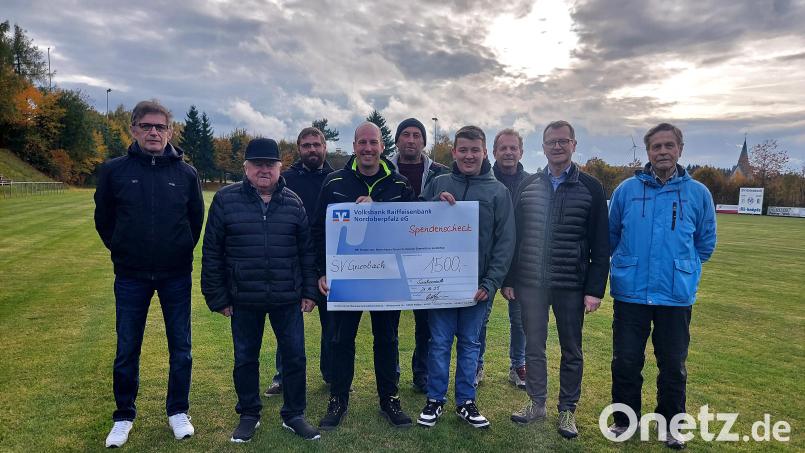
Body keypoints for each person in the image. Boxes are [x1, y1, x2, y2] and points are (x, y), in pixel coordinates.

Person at [94, 99, 204, 448]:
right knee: (127, 348)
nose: (154, 132)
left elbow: (195, 221)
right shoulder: (114, 171)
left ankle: (178, 411)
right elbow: (104, 219)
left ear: (170, 131)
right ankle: (124, 415)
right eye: (147, 126)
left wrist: (177, 250)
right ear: (134, 129)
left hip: (175, 274)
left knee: (181, 348)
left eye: (160, 126)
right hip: (131, 275)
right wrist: (123, 249)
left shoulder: (186, 174)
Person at [201, 138, 320, 443]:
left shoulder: (293, 202)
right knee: (245, 358)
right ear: (246, 168)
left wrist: (310, 292)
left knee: (295, 358)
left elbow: (306, 252)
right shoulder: (225, 200)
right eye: (258, 164)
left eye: (270, 164)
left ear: (280, 168)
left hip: (287, 297)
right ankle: (249, 414)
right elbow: (212, 252)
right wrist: (218, 297)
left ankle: (294, 414)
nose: (264, 170)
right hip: (243, 297)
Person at [607, 123, 716, 450]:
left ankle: (671, 425)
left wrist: (682, 267)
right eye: (657, 146)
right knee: (626, 361)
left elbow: (705, 243)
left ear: (680, 149)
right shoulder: (626, 190)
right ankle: (624, 421)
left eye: (669, 145)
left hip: (675, 295)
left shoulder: (698, 194)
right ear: (648, 152)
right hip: (631, 293)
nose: (663, 151)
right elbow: (610, 236)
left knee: (672, 365)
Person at [503, 120, 609, 439]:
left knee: (571, 350)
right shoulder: (528, 185)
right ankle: (536, 403)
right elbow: (515, 237)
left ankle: (567, 410)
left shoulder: (591, 187)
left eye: (563, 141)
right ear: (543, 147)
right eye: (552, 142)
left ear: (574, 145)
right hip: (531, 283)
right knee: (534, 346)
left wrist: (594, 289)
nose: (557, 146)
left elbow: (601, 243)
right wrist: (510, 279)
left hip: (571, 285)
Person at [312, 122, 416, 431]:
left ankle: (389, 399)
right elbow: (318, 230)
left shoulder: (399, 185)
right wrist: (321, 271)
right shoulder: (334, 182)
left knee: (387, 339)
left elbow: (411, 231)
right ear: (354, 145)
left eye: (373, 142)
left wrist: (378, 209)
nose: (368, 148)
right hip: (346, 278)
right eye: (362, 142)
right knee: (341, 339)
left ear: (383, 146)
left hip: (386, 278)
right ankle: (338, 399)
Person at [416, 125, 515, 429]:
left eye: (475, 150)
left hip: (476, 288)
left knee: (471, 344)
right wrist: (433, 206)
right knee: (439, 342)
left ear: (485, 152)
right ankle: (435, 400)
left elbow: (505, 242)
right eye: (463, 150)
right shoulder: (439, 182)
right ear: (454, 152)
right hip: (440, 284)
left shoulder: (498, 191)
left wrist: (491, 283)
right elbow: (415, 223)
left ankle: (466, 402)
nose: (469, 156)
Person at [264, 127, 335, 398]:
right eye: (307, 145)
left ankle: (332, 374)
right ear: (299, 148)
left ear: (325, 147)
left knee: (333, 326)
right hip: (292, 263)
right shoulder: (286, 179)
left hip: (329, 263)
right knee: (288, 326)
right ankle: (283, 377)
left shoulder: (337, 179)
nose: (312, 149)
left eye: (317, 144)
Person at [388, 117, 449, 393]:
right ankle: (391, 372)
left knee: (426, 323)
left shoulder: (441, 173)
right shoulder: (382, 170)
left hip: (427, 258)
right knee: (388, 321)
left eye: (416, 135)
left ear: (424, 141)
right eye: (406, 134)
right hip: (391, 257)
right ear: (397, 140)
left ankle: (421, 373)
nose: (411, 140)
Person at [476, 128, 530, 389]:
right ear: (493, 152)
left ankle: (518, 365)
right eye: (503, 148)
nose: (508, 152)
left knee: (520, 321)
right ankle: (476, 364)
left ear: (521, 151)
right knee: (480, 319)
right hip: (486, 265)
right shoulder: (481, 180)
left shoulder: (533, 184)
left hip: (520, 264)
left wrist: (514, 275)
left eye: (513, 148)